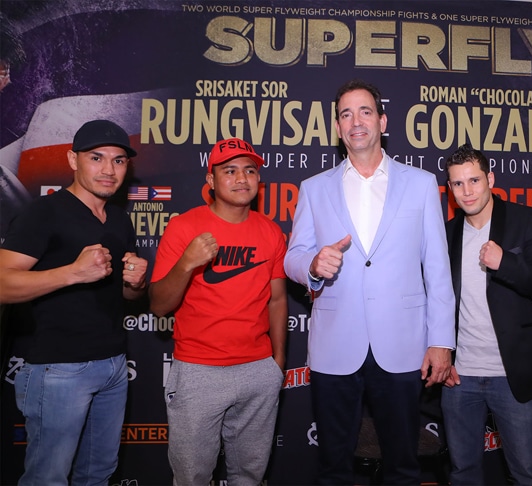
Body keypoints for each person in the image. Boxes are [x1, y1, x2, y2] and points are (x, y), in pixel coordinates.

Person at [284, 79, 455, 484]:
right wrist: (313, 263)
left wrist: (442, 341)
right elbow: (292, 257)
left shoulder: (421, 183)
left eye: (364, 112)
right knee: (334, 467)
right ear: (337, 128)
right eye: (345, 114)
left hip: (402, 346)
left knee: (402, 466)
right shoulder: (314, 189)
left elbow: (437, 268)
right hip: (335, 348)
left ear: (382, 121)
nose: (355, 121)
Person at [0, 119, 147, 485]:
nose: (108, 169)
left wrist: (136, 283)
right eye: (96, 158)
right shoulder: (43, 212)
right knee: (48, 478)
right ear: (72, 160)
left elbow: (127, 297)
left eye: (118, 160)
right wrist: (72, 273)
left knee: (97, 474)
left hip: (113, 365)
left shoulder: (118, 219)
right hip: (57, 369)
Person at [149, 137, 287, 484]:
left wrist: (277, 364)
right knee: (192, 475)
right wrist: (186, 264)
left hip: (257, 369)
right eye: (230, 171)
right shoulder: (185, 227)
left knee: (250, 474)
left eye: (249, 170)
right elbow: (159, 305)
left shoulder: (270, 231)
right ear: (210, 181)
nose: (241, 179)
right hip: (199, 370)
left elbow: (277, 299)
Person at [442, 144, 532, 485]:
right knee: (463, 473)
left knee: (528, 473)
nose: (467, 191)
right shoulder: (446, 233)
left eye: (474, 180)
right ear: (450, 188)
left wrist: (505, 262)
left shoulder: (524, 219)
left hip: (512, 375)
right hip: (459, 377)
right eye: (458, 184)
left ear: (490, 178)